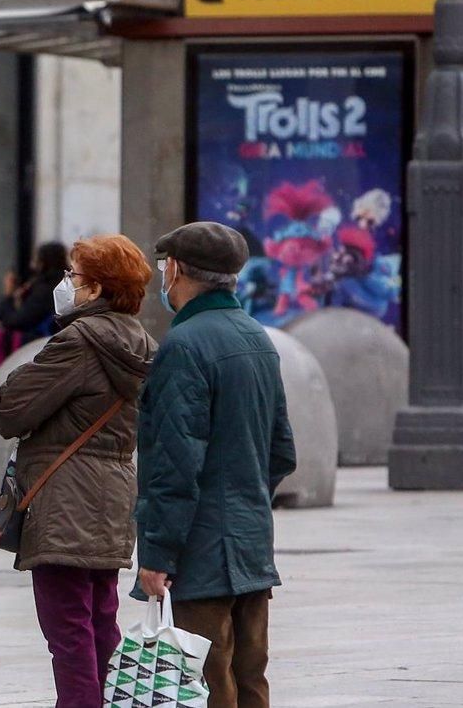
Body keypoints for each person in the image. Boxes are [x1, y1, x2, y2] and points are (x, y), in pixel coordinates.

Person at [136, 222, 298, 708]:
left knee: (206, 681)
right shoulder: (258, 338)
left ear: (177, 270)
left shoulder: (184, 347)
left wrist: (157, 554)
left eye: (165, 268)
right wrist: (246, 501)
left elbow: (174, 465)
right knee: (250, 678)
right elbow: (282, 451)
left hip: (201, 550)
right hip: (251, 545)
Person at [0, 235, 157, 707]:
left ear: (97, 290)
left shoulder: (78, 342)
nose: (66, 283)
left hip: (66, 497)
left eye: (75, 276)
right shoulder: (141, 344)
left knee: (67, 629)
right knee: (101, 620)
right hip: (112, 493)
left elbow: (9, 409)